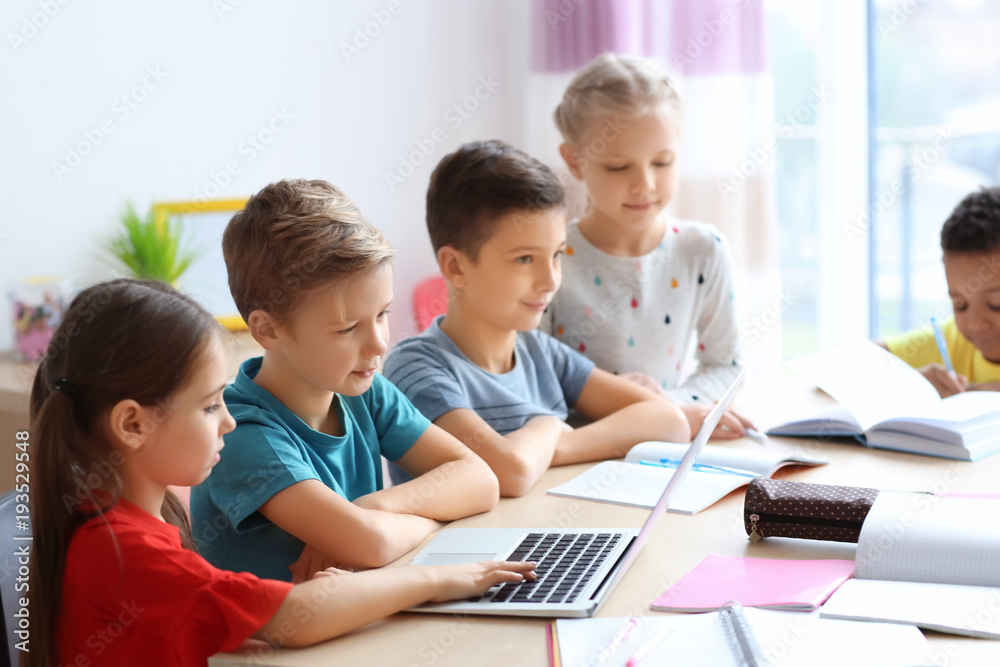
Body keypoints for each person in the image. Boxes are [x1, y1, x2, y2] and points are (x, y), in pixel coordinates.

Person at [27, 279, 534, 667]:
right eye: (208, 407)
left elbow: (217, 619)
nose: (227, 419)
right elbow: (294, 617)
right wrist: (442, 579)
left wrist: (346, 575)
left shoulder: (124, 520)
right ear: (133, 424)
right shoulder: (124, 550)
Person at [190, 180, 500, 581]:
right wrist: (405, 522)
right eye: (348, 328)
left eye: (383, 314)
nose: (378, 344)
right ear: (267, 330)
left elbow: (481, 481)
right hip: (279, 642)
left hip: (354, 618)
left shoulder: (364, 391)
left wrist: (376, 507)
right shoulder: (240, 433)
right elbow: (371, 545)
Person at [382, 140, 691, 497]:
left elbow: (668, 421)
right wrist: (548, 424)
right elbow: (508, 472)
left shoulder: (540, 352)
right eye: (525, 259)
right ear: (456, 266)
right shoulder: (416, 369)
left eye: (557, 255)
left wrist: (552, 447)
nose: (550, 281)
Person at [544, 52, 753, 438]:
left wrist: (668, 410)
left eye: (662, 162)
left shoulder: (703, 249)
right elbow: (531, 380)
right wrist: (643, 413)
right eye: (618, 167)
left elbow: (727, 365)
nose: (645, 185)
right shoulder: (549, 259)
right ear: (574, 162)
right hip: (578, 455)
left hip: (666, 452)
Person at [881, 186, 1000, 397]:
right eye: (960, 305)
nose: (975, 323)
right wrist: (908, 383)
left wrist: (971, 393)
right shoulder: (951, 340)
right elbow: (841, 365)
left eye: (996, 304)